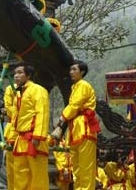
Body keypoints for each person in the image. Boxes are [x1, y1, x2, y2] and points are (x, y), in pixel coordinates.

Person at [52, 60, 101, 190]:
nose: (71, 72)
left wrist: (62, 118)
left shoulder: (83, 85)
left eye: (74, 69)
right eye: (70, 69)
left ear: (82, 71)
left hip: (84, 127)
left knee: (86, 168)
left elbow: (75, 105)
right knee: (77, 168)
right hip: (76, 127)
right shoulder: (75, 87)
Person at [10, 62, 50, 190]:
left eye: (20, 73)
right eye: (15, 73)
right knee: (20, 174)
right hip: (21, 139)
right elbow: (15, 118)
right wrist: (12, 136)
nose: (16, 76)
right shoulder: (19, 94)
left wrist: (38, 136)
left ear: (28, 75)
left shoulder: (38, 90)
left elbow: (42, 113)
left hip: (34, 138)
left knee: (37, 176)